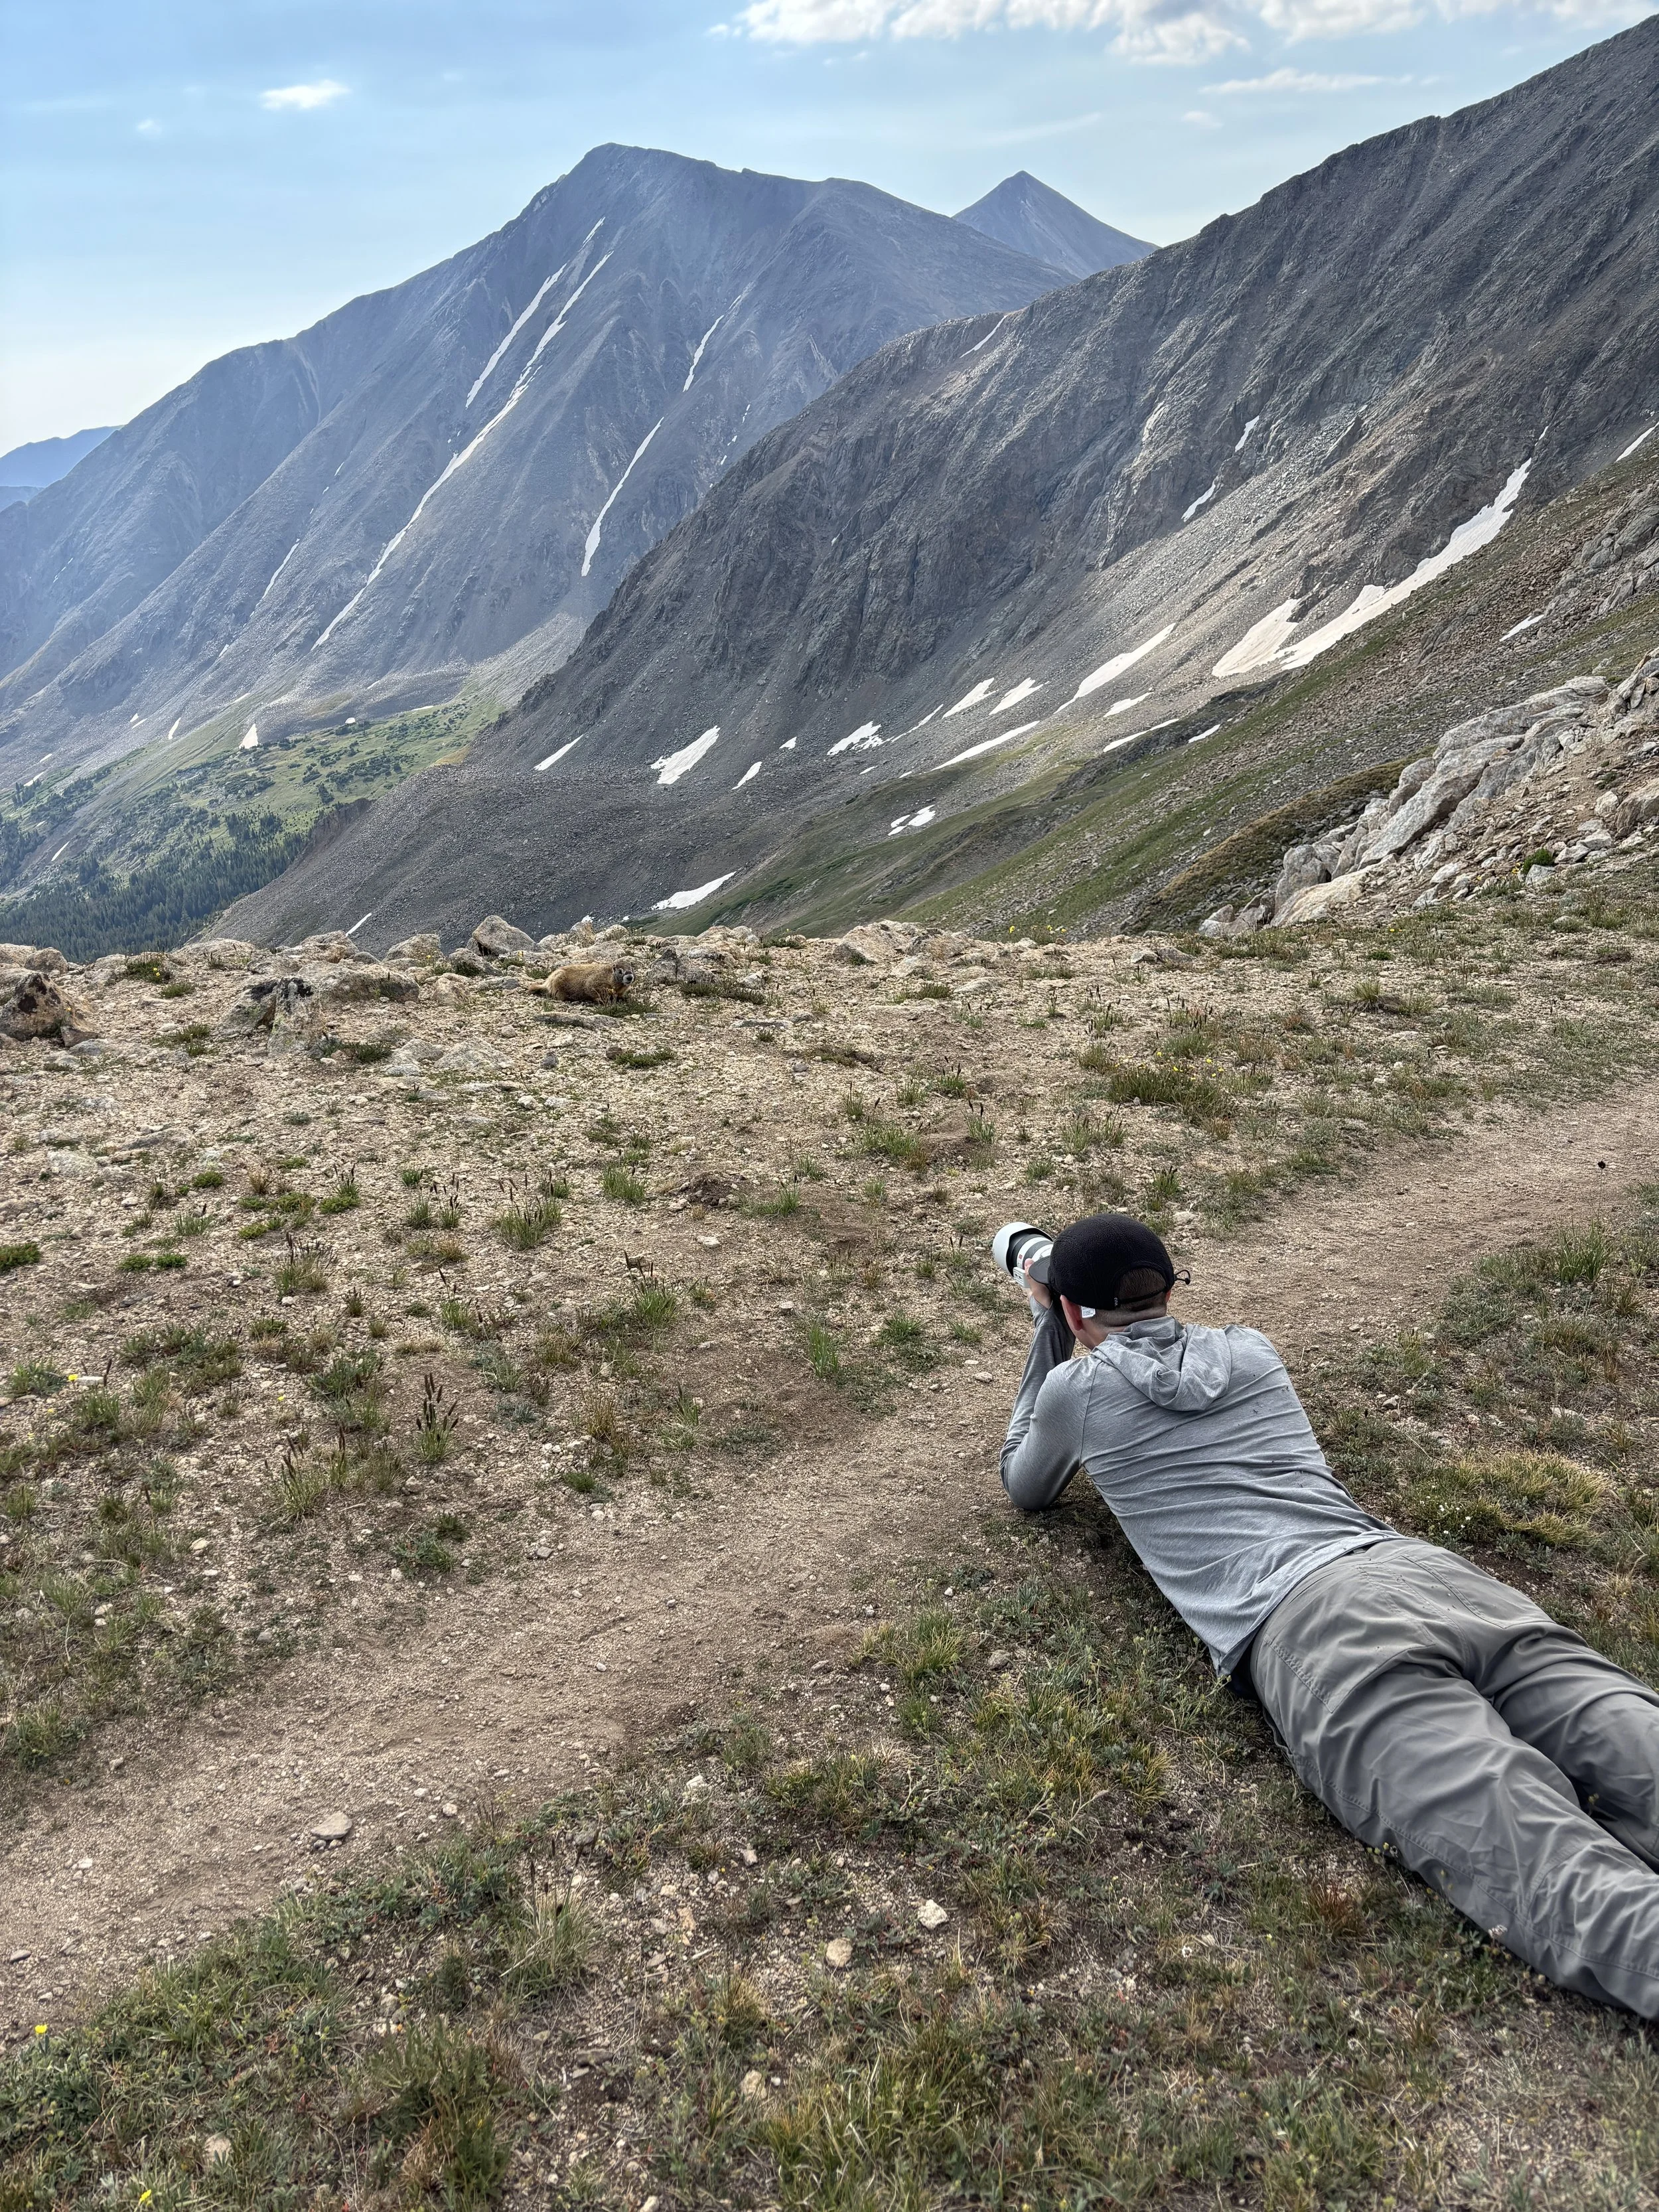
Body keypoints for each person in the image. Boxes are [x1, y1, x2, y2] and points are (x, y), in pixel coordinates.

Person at [999, 1209, 1659, 2018]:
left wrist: (1043, 1333)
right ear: (1169, 1290)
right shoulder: (1251, 1349)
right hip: (1427, 1574)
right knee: (1640, 1749)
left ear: (1071, 1310)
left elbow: (1024, 1483)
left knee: (1543, 1865)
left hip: (1311, 1630)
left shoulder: (1078, 1391)